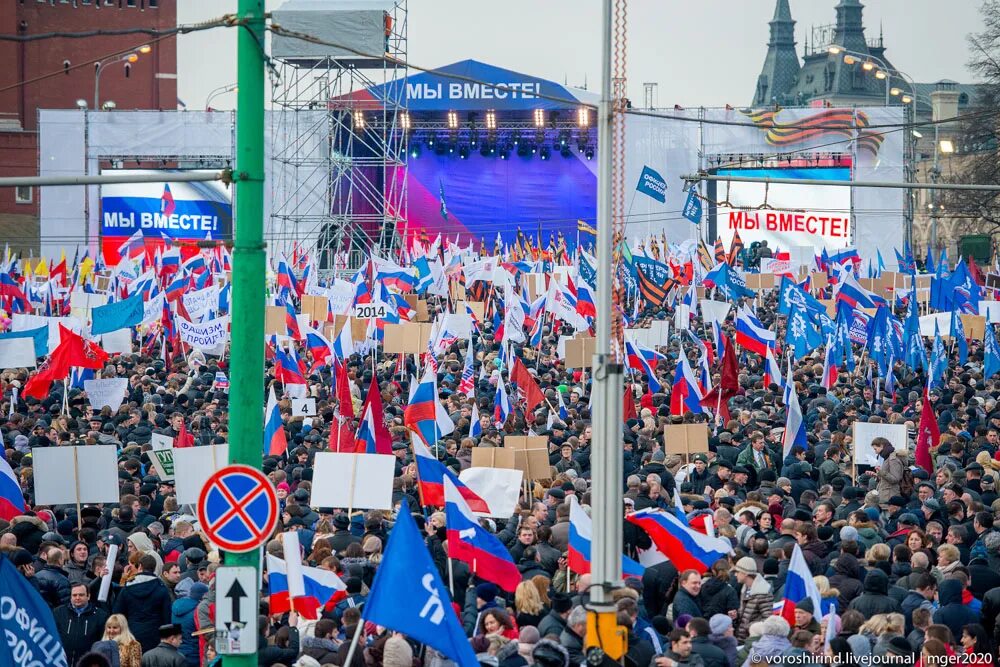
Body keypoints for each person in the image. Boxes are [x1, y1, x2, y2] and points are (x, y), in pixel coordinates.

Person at [113, 554, 173, 652]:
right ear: (154, 568)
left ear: (140, 566)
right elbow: (167, 616)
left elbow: (117, 613)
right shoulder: (161, 588)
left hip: (132, 634)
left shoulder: (127, 588)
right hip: (155, 636)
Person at [53, 582, 109, 666]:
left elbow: (103, 643)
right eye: (74, 595)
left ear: (88, 596)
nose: (77, 598)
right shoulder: (59, 612)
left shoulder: (100, 615)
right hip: (61, 662)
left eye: (81, 595)